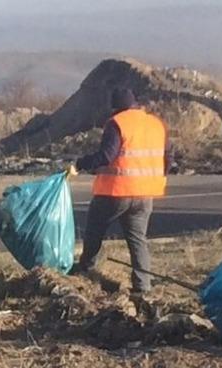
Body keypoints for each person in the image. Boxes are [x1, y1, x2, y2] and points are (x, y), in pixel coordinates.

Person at [68, 88, 168, 294]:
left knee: (95, 228)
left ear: (116, 108)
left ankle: (87, 269)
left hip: (116, 192)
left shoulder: (117, 123)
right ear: (135, 104)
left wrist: (81, 163)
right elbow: (169, 158)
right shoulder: (155, 124)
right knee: (138, 239)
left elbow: (106, 155)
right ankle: (143, 287)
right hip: (146, 193)